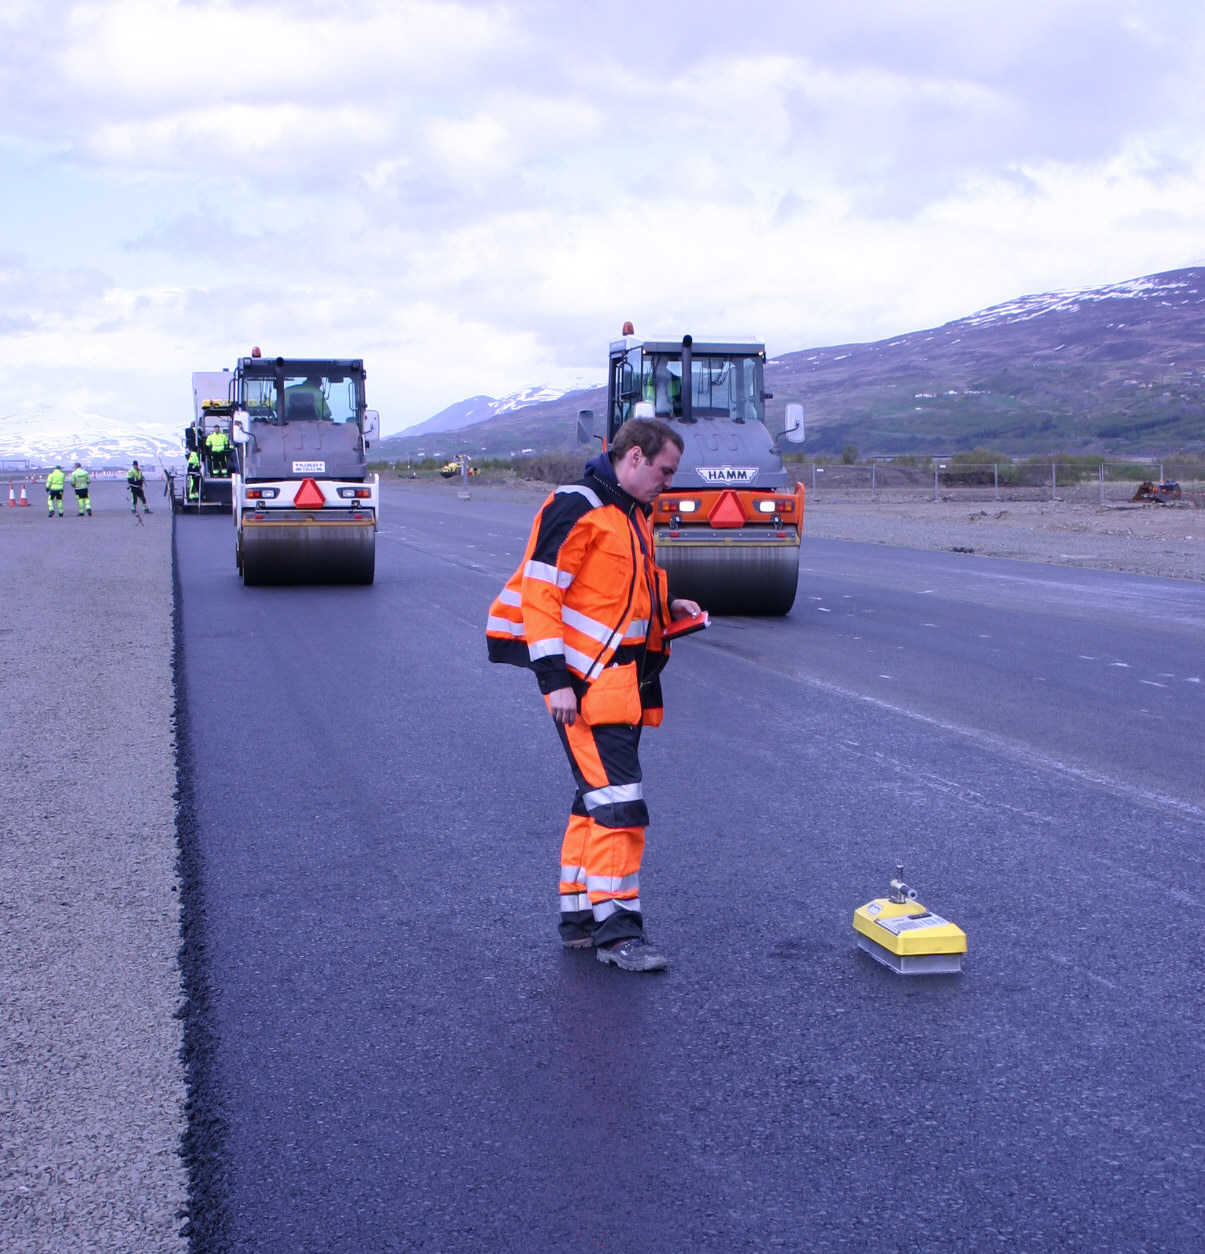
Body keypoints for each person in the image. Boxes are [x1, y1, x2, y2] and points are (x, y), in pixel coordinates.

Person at [486, 417, 700, 972]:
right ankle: (618, 934)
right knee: (621, 807)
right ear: (633, 457)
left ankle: (581, 921)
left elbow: (628, 586)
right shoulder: (575, 506)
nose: (668, 484)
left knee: (595, 802)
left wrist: (669, 605)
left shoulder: (632, 513)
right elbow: (542, 594)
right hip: (584, 687)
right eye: (664, 471)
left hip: (622, 684)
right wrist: (554, 680)